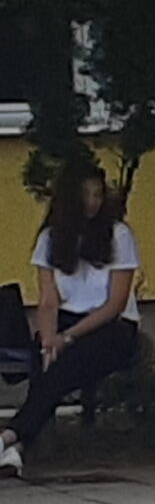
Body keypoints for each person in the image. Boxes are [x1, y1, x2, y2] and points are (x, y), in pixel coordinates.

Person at [0, 165, 143, 478]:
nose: (92, 203)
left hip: (111, 326)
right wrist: (50, 338)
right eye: (85, 196)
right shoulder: (51, 240)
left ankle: (10, 438)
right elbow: (48, 301)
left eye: (97, 195)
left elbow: (115, 304)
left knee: (61, 367)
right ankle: (13, 449)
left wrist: (69, 338)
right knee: (45, 361)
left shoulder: (118, 235)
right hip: (66, 321)